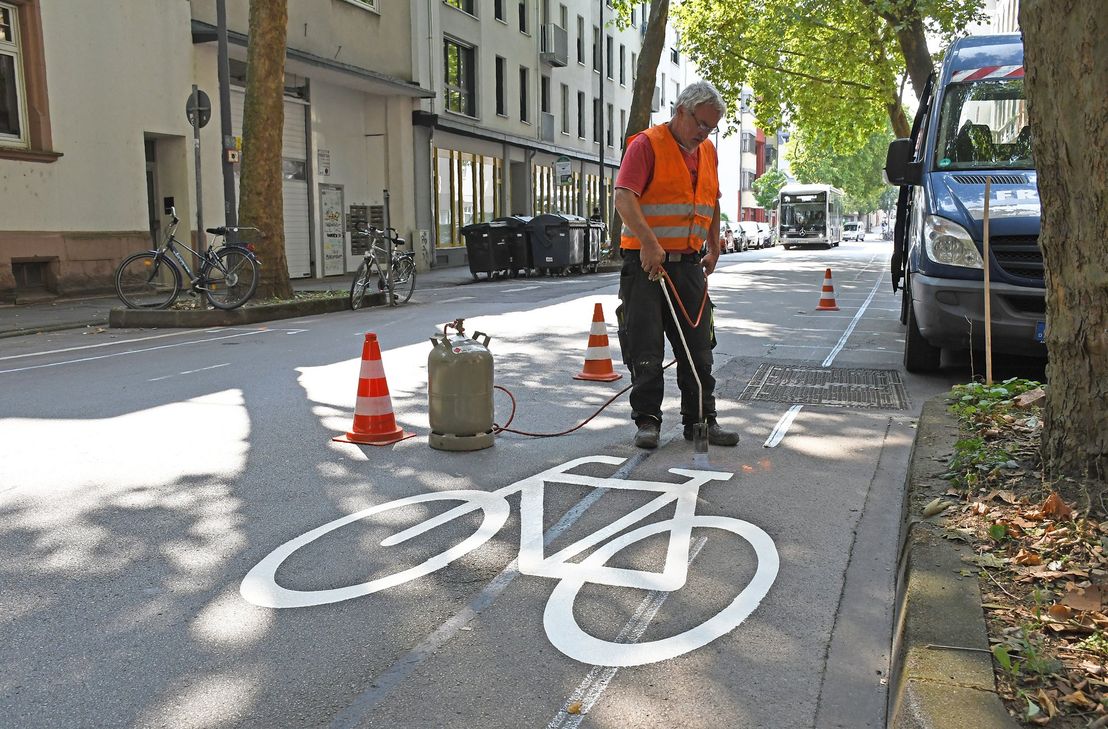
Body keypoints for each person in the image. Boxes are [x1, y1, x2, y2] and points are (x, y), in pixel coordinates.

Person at [613, 81, 740, 450]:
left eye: (711, 128)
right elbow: (624, 198)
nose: (704, 133)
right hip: (646, 266)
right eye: (700, 124)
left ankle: (701, 421)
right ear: (681, 111)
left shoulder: (708, 153)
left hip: (688, 266)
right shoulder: (646, 145)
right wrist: (650, 244)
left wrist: (713, 247)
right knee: (646, 348)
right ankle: (648, 422)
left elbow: (712, 203)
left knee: (698, 348)